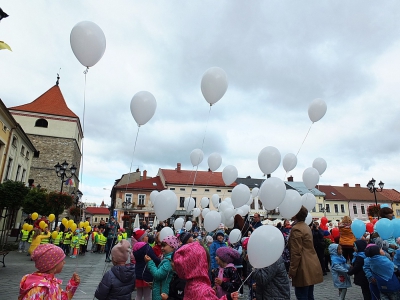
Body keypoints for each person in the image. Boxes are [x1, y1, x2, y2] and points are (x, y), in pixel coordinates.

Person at [173, 242, 239, 300]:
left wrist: (227, 297)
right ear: (202, 264)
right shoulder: (204, 292)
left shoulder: (190, 285)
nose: (215, 258)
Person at [288, 206, 323, 299]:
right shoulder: (305, 226)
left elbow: (296, 252)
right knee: (309, 295)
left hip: (302, 266)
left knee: (302, 295)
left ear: (296, 214)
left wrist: (292, 270)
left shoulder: (296, 228)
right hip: (311, 263)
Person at [145, 236, 179, 300]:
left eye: (164, 246)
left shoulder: (169, 261)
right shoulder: (168, 258)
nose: (162, 248)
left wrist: (149, 262)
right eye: (162, 246)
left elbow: (158, 275)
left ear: (172, 247)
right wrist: (155, 284)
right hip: (161, 291)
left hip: (162, 294)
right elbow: (164, 277)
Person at [133, 229, 161, 300]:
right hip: (147, 273)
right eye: (146, 236)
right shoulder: (147, 247)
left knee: (138, 295)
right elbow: (154, 259)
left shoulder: (135, 247)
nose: (147, 237)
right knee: (147, 296)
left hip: (138, 272)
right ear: (142, 238)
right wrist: (160, 260)